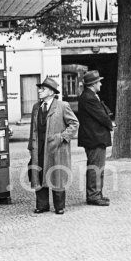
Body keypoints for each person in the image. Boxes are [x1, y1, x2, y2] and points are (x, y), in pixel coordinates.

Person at [28, 77, 78, 215]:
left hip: (56, 148)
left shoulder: (62, 106)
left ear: (51, 92)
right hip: (39, 146)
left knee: (57, 174)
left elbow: (74, 124)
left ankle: (59, 206)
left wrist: (62, 137)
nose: (39, 91)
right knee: (39, 173)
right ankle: (42, 205)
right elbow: (33, 128)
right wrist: (31, 147)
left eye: (42, 89)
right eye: (40, 88)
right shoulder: (36, 107)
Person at [78, 70, 113, 206]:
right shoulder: (89, 97)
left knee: (98, 167)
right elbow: (102, 116)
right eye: (99, 82)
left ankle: (97, 194)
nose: (101, 84)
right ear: (93, 84)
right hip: (94, 138)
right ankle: (93, 196)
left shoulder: (91, 96)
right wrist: (111, 124)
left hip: (95, 137)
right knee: (95, 168)